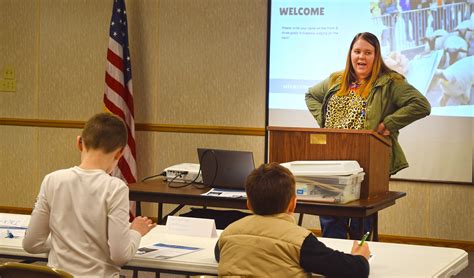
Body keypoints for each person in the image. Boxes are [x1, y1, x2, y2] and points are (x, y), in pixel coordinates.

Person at [305, 32, 431, 239]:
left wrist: (389, 123)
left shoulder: (390, 82)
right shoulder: (336, 79)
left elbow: (421, 105)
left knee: (359, 221)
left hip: (369, 161)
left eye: (367, 52)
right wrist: (325, 120)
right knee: (329, 215)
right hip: (333, 160)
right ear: (350, 54)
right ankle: (335, 261)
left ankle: (357, 262)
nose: (361, 57)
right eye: (357, 52)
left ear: (376, 55)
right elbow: (310, 95)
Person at [22, 113, 156, 277]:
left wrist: (67, 242)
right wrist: (136, 231)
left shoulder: (52, 180)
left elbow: (31, 244)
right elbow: (120, 256)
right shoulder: (115, 188)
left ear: (79, 142)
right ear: (120, 153)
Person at [214, 163, 370, 277]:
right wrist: (360, 257)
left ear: (248, 203)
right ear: (292, 204)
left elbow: (219, 255)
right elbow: (355, 271)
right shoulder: (301, 241)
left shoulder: (228, 233)